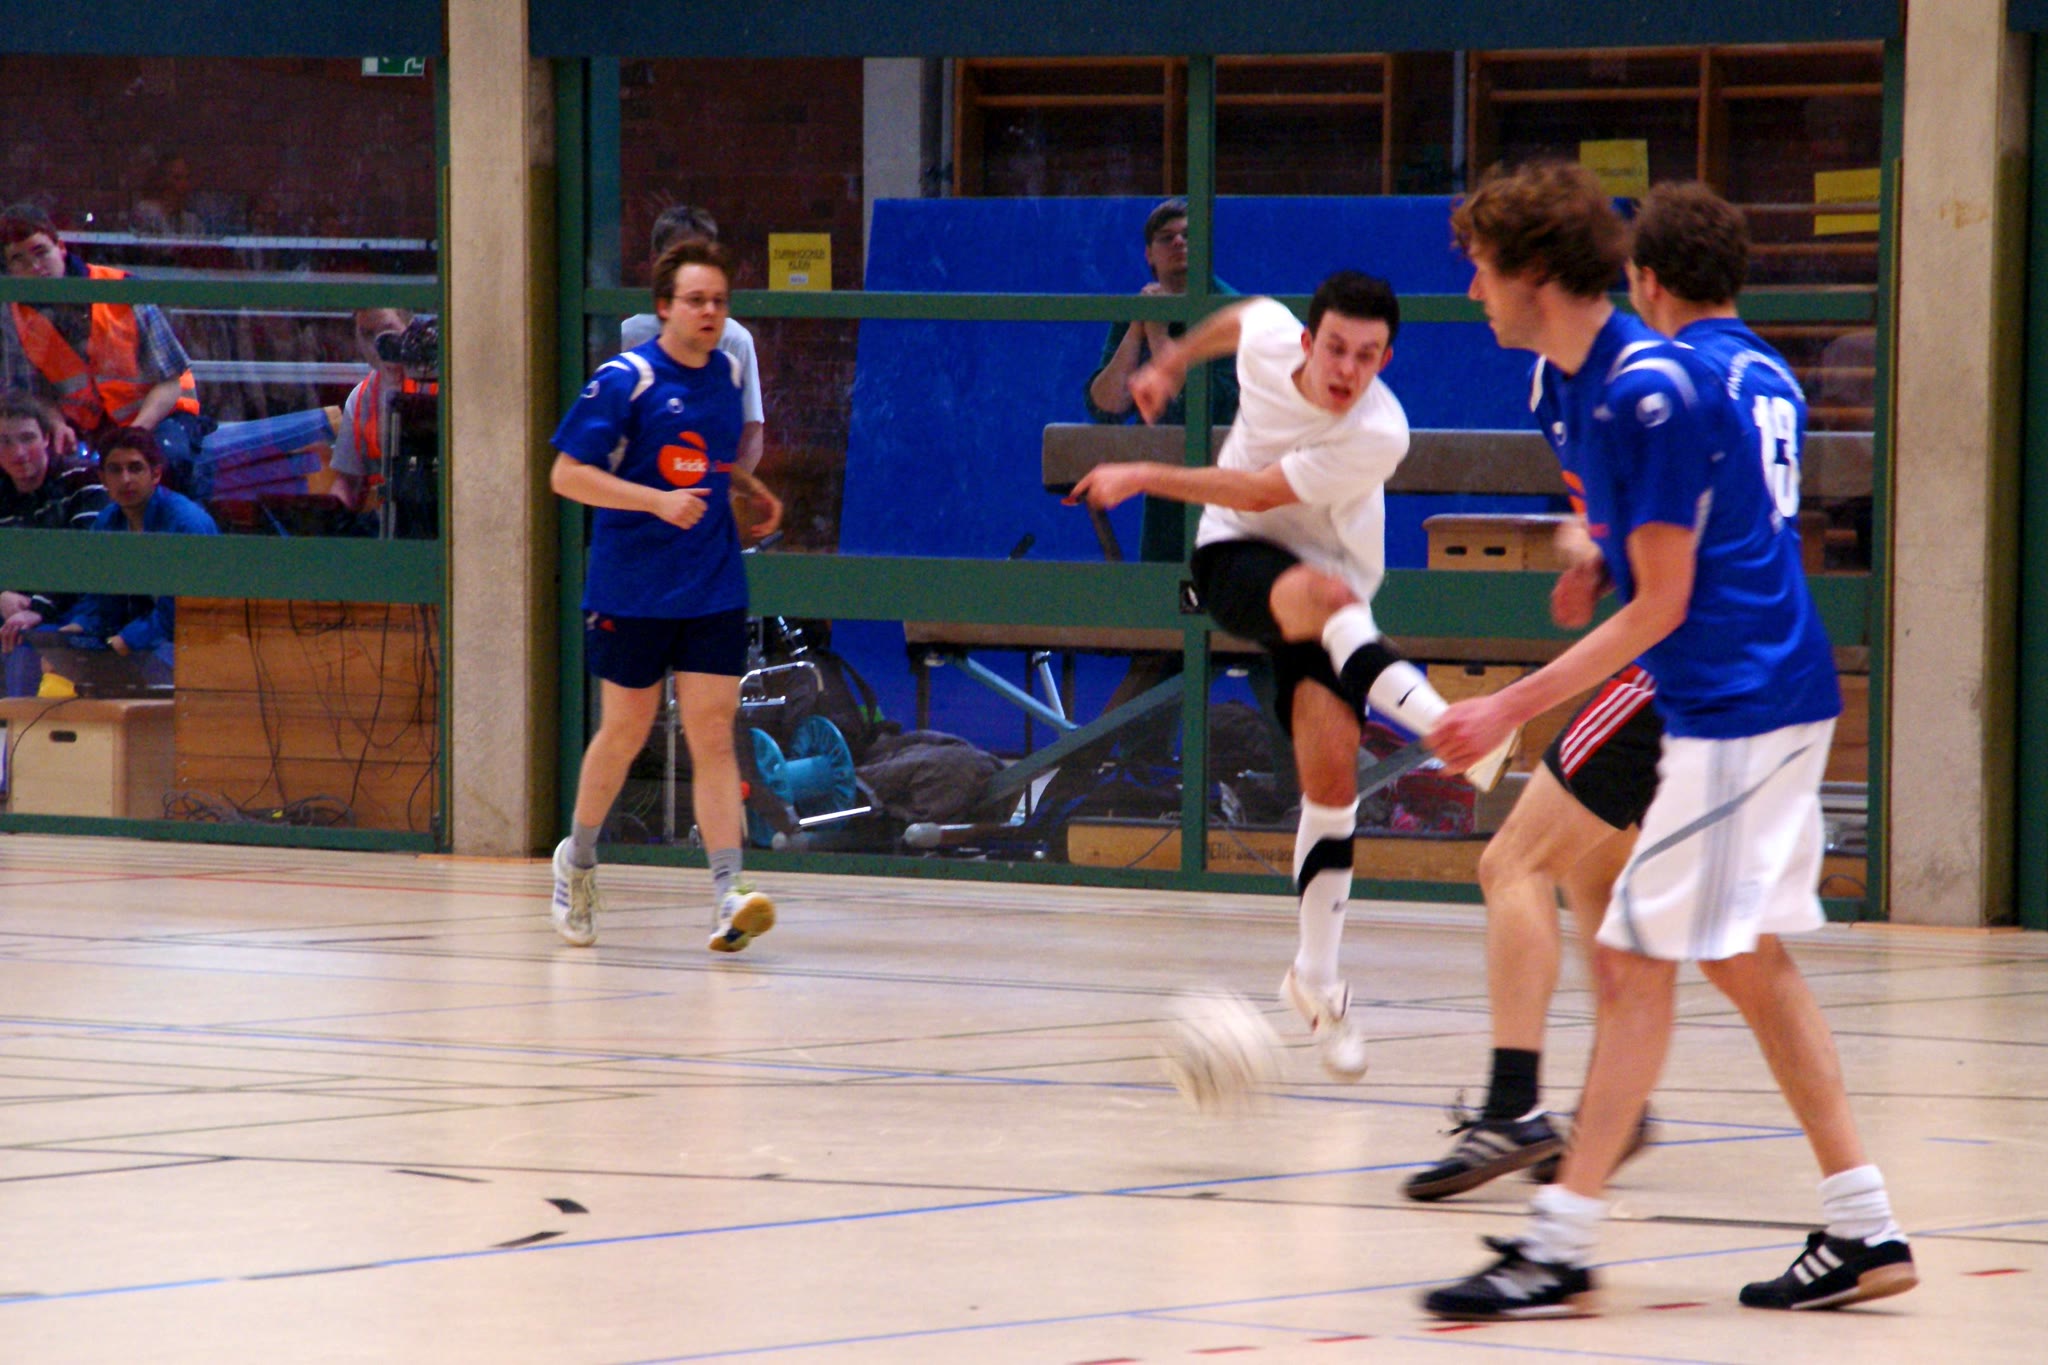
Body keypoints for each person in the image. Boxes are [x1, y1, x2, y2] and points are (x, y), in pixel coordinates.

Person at [1419, 166, 1914, 1319]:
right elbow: (1657, 544)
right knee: (1741, 960)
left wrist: (1505, 706)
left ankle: (1558, 1245)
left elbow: (1661, 607)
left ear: (1534, 275)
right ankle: (1862, 1225)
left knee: (1633, 964)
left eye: (1480, 271)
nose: (1472, 293)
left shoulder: (1653, 389)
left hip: (1742, 699)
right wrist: (1597, 548)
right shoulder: (1576, 381)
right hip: (1737, 699)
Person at [1068, 272, 1516, 1079]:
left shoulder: (1379, 432)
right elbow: (1242, 322)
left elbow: (1262, 483)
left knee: (1333, 779)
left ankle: (1316, 980)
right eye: (1336, 348)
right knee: (1327, 599)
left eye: (1368, 356)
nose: (1348, 369)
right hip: (1236, 554)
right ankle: (1450, 728)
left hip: (1335, 599)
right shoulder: (1274, 339)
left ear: (1386, 360)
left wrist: (1141, 472)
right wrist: (1169, 363)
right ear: (1308, 343)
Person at [549, 237, 786, 953]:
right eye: (695, 300)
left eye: (719, 302)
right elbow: (567, 475)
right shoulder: (626, 379)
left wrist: (748, 488)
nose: (709, 312)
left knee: (712, 733)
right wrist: (655, 501)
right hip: (632, 585)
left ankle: (728, 894)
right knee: (625, 732)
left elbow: (704, 461)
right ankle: (577, 861)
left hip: (712, 583)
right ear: (663, 308)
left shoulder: (728, 374)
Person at [1084, 197, 1240, 565]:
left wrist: (1157, 334)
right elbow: (1105, 407)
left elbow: (1205, 408)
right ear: (1149, 255)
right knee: (1163, 582)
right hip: (1164, 480)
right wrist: (1138, 328)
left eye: (1188, 235)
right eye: (1167, 238)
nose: (1179, 243)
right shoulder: (1142, 307)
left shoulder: (1229, 311)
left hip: (1226, 476)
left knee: (1217, 582)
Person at [0, 206, 205, 469]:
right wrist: (57, 424)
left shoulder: (120, 289)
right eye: (19, 259)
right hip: (87, 429)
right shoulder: (14, 314)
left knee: (165, 459)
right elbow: (31, 393)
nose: (35, 267)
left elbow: (171, 382)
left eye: (41, 252)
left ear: (61, 248)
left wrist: (135, 434)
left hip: (160, 415)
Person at [51, 425, 217, 690]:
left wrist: (128, 640)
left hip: (193, 640)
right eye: (115, 470)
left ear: (156, 474)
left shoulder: (186, 522)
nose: (125, 479)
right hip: (135, 638)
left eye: (135, 468)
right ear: (103, 478)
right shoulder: (108, 521)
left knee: (145, 663)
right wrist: (78, 628)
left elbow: (186, 607)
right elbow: (98, 596)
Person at [621, 205, 765, 475]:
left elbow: (751, 434)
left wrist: (725, 493)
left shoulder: (735, 341)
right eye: (681, 259)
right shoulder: (628, 337)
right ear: (656, 261)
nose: (692, 272)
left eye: (700, 260)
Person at [0, 391, 110, 693]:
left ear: (47, 438)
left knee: (26, 645)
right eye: (4, 442)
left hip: (78, 607)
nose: (18, 452)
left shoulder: (82, 481)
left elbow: (84, 560)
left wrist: (37, 608)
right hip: (15, 607)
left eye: (27, 438)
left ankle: (22, 725)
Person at [328, 307, 438, 526]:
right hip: (385, 525)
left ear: (409, 327)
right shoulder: (360, 399)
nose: (377, 345)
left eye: (387, 330)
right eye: (366, 335)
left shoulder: (440, 386)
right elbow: (347, 485)